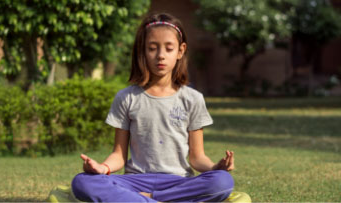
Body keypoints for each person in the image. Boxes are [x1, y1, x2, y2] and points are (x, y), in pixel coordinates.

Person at [71, 13, 235, 202]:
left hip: (178, 182)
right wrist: (103, 168)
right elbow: (118, 155)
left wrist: (216, 168)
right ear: (142, 51)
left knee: (223, 181)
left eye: (169, 48)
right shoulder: (126, 97)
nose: (160, 55)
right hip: (134, 182)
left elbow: (197, 158)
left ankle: (146, 199)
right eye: (152, 48)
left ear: (180, 51)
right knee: (82, 182)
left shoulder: (193, 99)